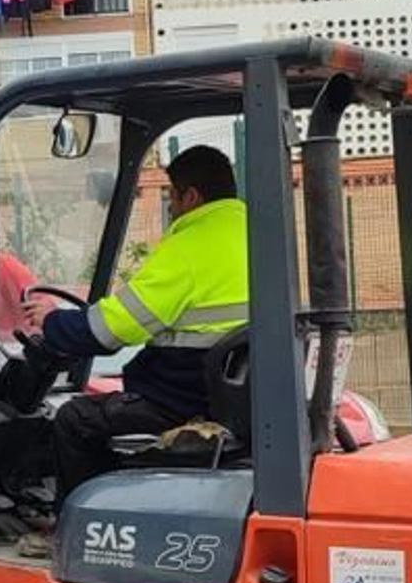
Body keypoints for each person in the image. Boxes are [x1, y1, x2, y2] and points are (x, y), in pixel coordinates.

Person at [21, 146, 250, 511]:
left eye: (170, 195)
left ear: (191, 196)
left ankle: (78, 524)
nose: (170, 206)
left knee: (74, 419)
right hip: (236, 398)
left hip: (183, 400)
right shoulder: (257, 236)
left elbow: (114, 329)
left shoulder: (189, 247)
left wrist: (51, 320)